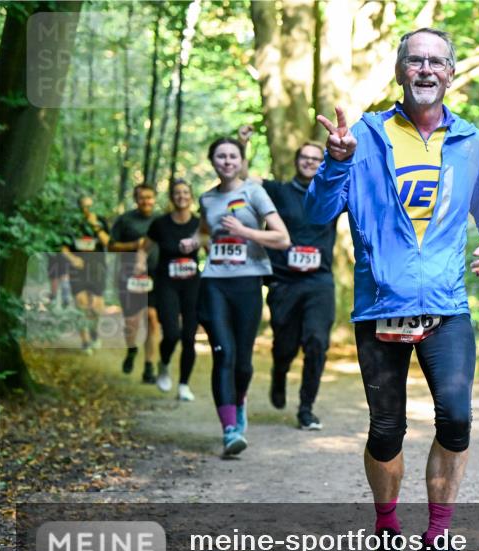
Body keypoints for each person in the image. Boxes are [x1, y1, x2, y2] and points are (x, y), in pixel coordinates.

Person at [306, 27, 479, 551]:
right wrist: (336, 163)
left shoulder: (469, 141)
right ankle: (387, 528)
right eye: (415, 60)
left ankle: (440, 540)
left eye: (437, 61)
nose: (426, 69)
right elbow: (318, 213)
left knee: (457, 418)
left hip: (447, 305)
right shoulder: (366, 136)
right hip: (381, 308)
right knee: (387, 429)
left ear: (451, 72)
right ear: (400, 71)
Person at [182, 137, 290, 457]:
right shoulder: (206, 198)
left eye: (232, 156)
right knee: (223, 353)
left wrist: (246, 233)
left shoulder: (254, 192)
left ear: (240, 160)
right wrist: (193, 241)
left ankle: (239, 400)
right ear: (213, 161)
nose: (227, 161)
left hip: (247, 281)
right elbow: (205, 231)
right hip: (214, 281)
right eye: (220, 156)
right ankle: (229, 430)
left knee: (242, 362)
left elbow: (282, 238)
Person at [238, 126, 338, 431]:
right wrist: (243, 144)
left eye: (315, 158)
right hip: (285, 282)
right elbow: (244, 179)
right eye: (304, 157)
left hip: (319, 282)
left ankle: (306, 408)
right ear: (297, 161)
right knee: (285, 345)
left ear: (322, 163)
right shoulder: (279, 191)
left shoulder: (332, 194)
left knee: (317, 343)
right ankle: (279, 373)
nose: (309, 162)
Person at [140, 179, 201, 402]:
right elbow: (143, 249)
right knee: (172, 333)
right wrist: (139, 265)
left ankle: (184, 384)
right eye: (177, 193)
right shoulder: (160, 224)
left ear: (191, 197)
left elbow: (211, 249)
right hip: (166, 283)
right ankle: (164, 365)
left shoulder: (199, 224)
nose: (181, 196)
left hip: (192, 284)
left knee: (189, 337)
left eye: (185, 192)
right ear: (171, 197)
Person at [109, 183, 161, 383]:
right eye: (142, 198)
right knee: (132, 322)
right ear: (136, 199)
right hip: (128, 276)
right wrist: (133, 245)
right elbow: (111, 246)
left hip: (155, 276)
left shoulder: (160, 220)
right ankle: (131, 350)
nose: (146, 201)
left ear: (154, 199)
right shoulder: (125, 220)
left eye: (149, 197)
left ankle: (149, 367)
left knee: (152, 318)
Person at [61, 196, 110, 353]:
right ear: (79, 208)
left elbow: (108, 242)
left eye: (90, 206)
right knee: (81, 304)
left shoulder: (101, 222)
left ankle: (94, 334)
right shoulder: (73, 225)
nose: (87, 210)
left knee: (96, 308)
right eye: (84, 207)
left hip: (97, 269)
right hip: (77, 270)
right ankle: (85, 342)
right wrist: (72, 258)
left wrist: (95, 225)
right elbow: (63, 248)